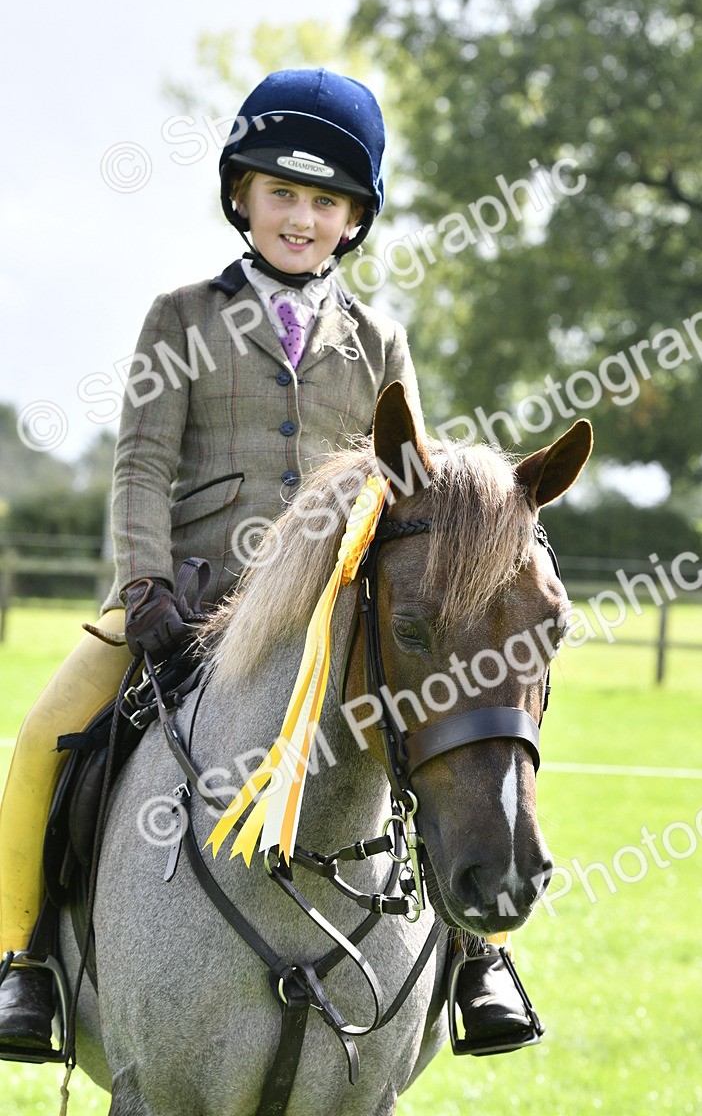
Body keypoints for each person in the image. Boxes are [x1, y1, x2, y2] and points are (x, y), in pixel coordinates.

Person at [0, 67, 533, 1058]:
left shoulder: (379, 338)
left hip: (333, 609)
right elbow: (142, 463)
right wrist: (143, 587)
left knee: (449, 727)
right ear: (239, 196)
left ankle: (477, 961)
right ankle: (24, 965)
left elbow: (406, 484)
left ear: (352, 219)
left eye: (324, 201)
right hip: (190, 597)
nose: (300, 215)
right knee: (43, 737)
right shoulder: (182, 316)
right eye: (281, 192)